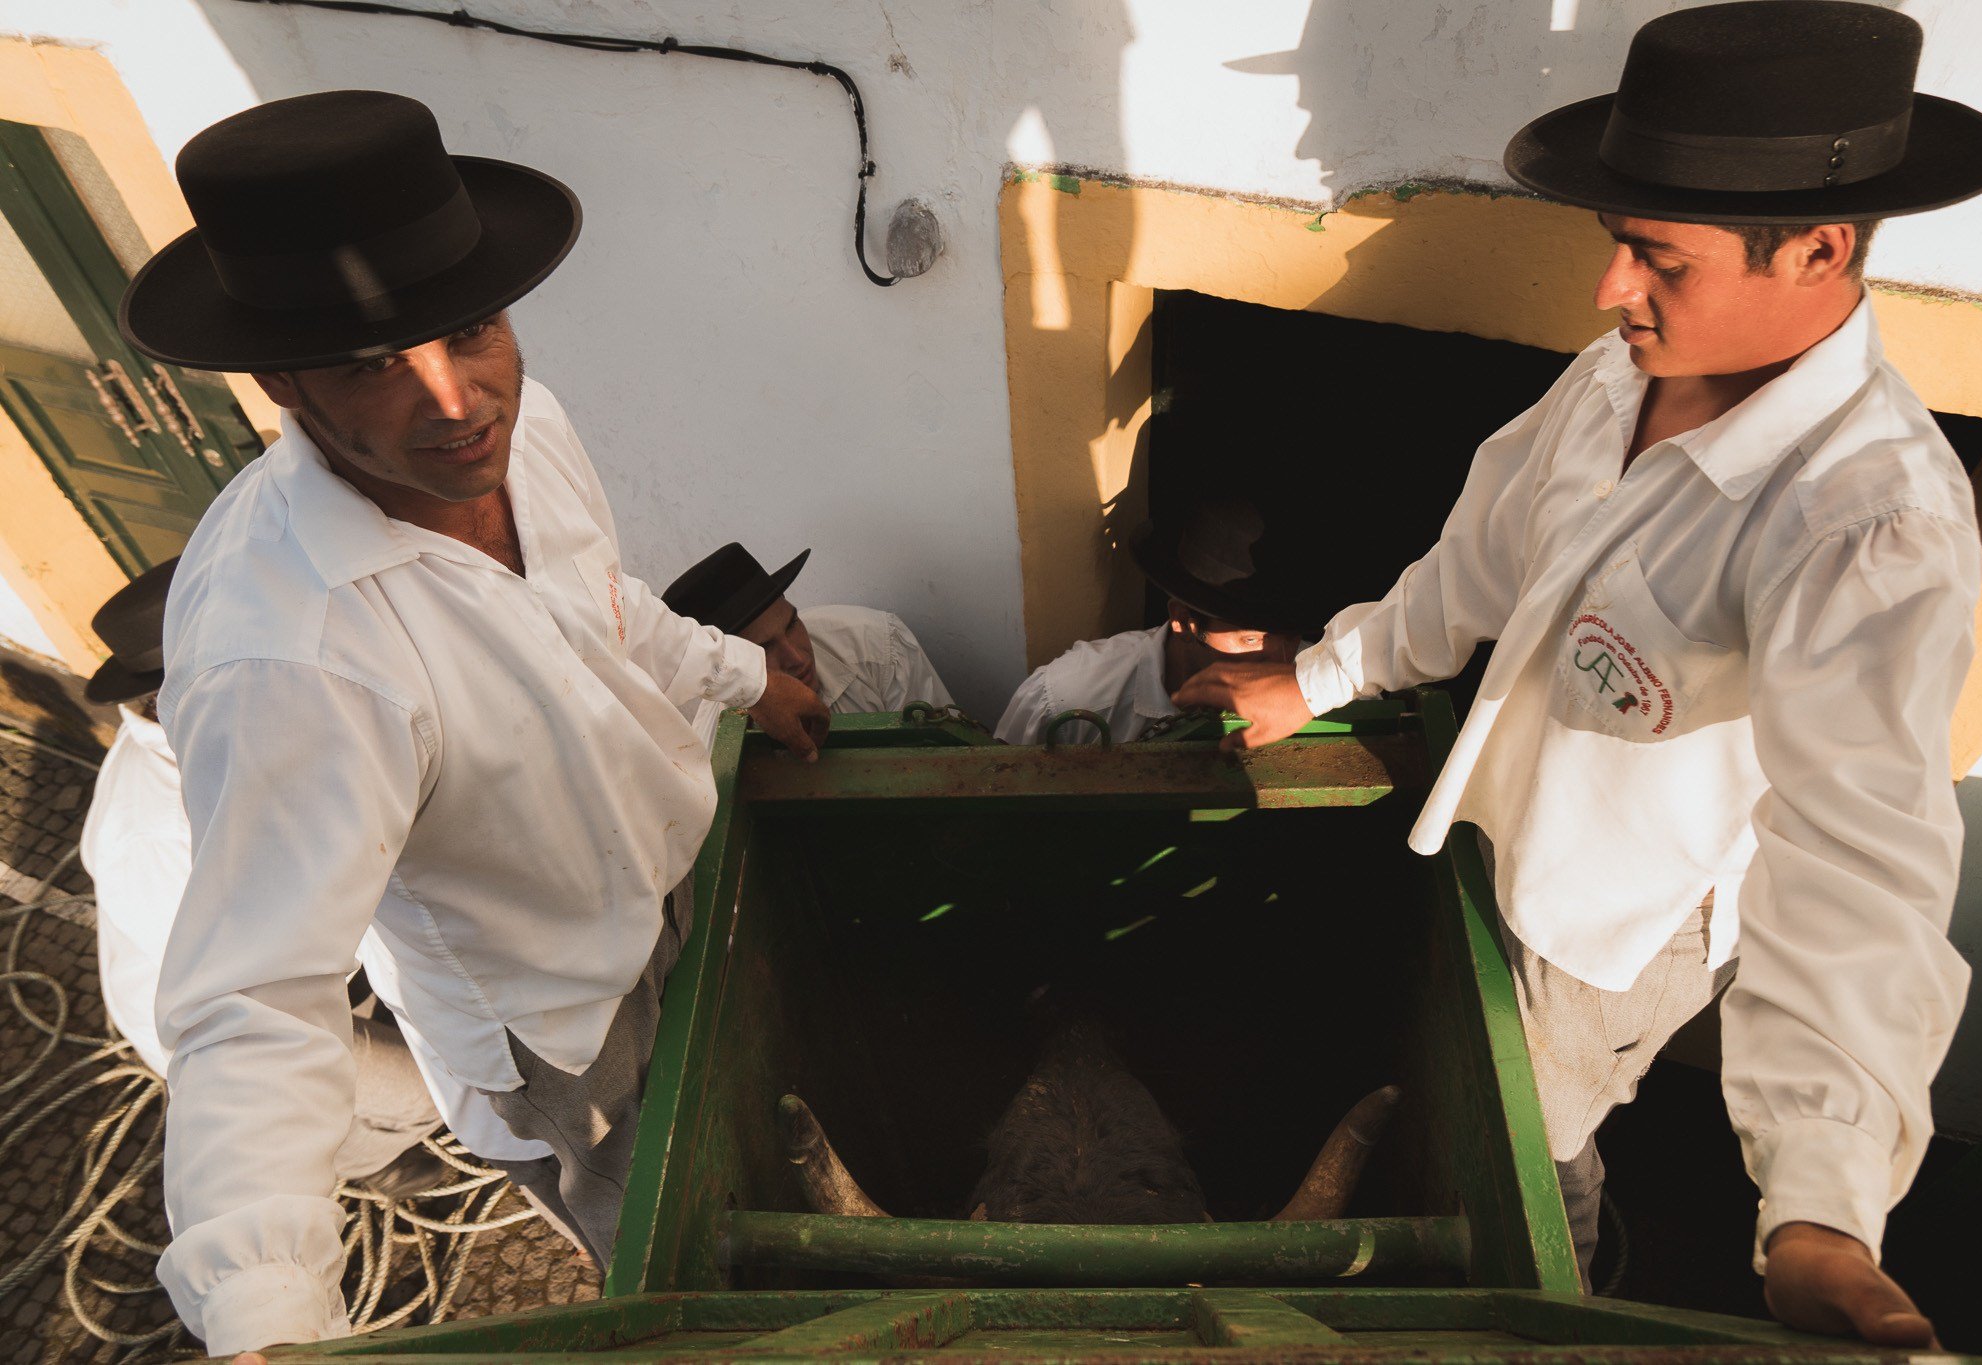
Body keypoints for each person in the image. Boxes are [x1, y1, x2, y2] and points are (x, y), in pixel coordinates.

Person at [1177, 3, 1982, 1347]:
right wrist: (1323, 677)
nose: (1607, 290)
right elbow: (1484, 560)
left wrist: (1821, 1204)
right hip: (1503, 827)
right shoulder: (1618, 376)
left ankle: (1561, 1290)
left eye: (1654, 258)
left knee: (1537, 1144)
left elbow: (1858, 861)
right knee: (1469, 1076)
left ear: (1819, 246)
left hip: (1614, 932)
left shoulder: (1867, 527)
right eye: (1620, 243)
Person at [117, 90, 827, 1356]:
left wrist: (740, 676)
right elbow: (255, 998)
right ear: (278, 379)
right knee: (676, 1269)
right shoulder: (295, 656)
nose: (456, 401)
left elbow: (604, 615)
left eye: (473, 329)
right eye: (371, 365)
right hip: (560, 1032)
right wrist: (265, 1309)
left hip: (672, 884)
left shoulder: (527, 428)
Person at [78, 560, 448, 1201]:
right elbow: (244, 1011)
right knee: (435, 1093)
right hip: (238, 1033)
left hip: (290, 964)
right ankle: (362, 1158)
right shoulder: (156, 839)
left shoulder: (224, 722)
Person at [996, 500, 1314, 746]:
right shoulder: (1068, 697)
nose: (1282, 661)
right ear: (1183, 620)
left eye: (1289, 636)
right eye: (1251, 639)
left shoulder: (1328, 684)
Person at [662, 542, 953, 714]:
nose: (797, 658)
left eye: (792, 624)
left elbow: (953, 763)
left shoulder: (879, 647)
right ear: (727, 669)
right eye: (764, 649)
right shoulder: (714, 744)